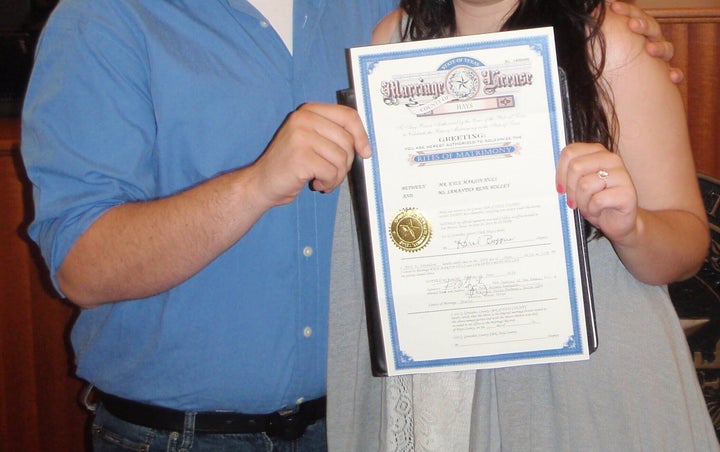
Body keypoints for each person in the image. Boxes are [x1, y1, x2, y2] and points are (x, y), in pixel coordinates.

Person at [19, 0, 682, 449]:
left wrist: (612, 27)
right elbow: (82, 265)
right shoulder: (105, 19)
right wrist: (253, 186)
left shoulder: (384, 16)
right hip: (180, 436)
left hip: (363, 428)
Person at [326, 0, 719, 451]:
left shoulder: (608, 42)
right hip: (438, 373)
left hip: (588, 384)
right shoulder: (392, 41)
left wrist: (631, 229)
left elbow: (687, 246)